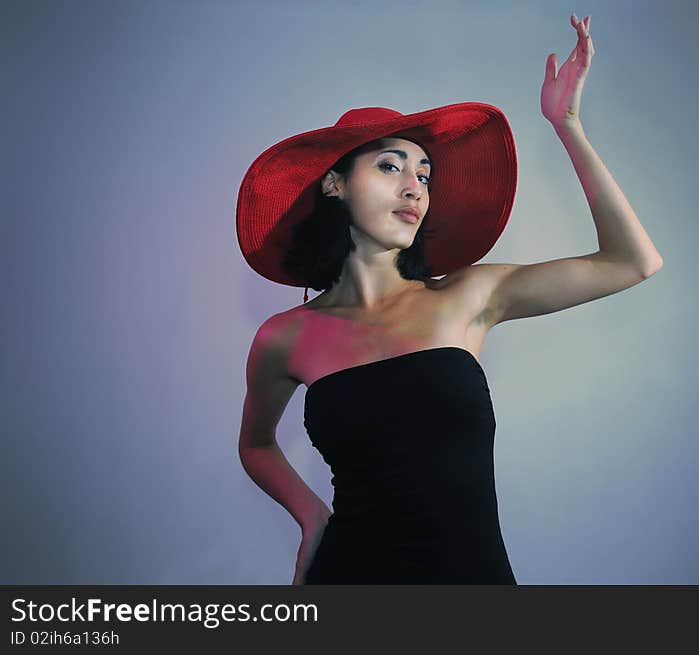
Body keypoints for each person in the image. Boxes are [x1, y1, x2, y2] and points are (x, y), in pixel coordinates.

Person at [236, 14, 663, 584]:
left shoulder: (471, 295)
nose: (415, 187)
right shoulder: (283, 336)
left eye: (425, 174)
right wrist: (311, 515)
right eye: (390, 166)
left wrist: (567, 126)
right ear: (334, 184)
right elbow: (257, 444)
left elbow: (631, 261)